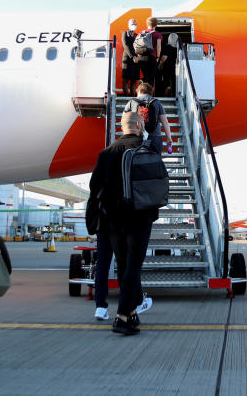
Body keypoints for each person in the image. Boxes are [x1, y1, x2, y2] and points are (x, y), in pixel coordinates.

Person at [87, 111, 158, 335]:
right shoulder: (147, 149)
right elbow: (157, 182)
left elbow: (94, 186)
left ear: (122, 126)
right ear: (139, 126)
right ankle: (123, 316)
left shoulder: (106, 153)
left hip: (114, 219)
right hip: (139, 217)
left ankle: (132, 313)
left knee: (123, 264)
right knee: (134, 266)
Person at [127, 82, 173, 155]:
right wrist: (169, 138)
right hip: (155, 137)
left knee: (137, 162)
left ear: (138, 91)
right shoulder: (157, 102)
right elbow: (165, 122)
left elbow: (125, 120)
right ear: (151, 92)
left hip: (137, 136)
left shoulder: (132, 102)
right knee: (155, 161)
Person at [135, 17, 163, 94]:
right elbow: (158, 46)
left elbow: (135, 44)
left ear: (147, 24)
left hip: (141, 57)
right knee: (151, 78)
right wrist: (157, 57)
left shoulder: (141, 33)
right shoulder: (157, 34)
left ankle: (142, 85)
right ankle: (149, 95)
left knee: (146, 75)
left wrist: (138, 54)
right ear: (156, 24)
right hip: (151, 58)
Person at [120, 18, 141, 96]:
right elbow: (126, 45)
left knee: (134, 79)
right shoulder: (125, 33)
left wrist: (138, 56)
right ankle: (125, 96)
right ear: (129, 25)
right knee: (125, 78)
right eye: (132, 24)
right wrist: (133, 56)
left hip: (136, 59)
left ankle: (133, 96)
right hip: (128, 58)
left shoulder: (137, 35)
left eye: (135, 24)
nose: (134, 25)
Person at [156, 33, 179, 97]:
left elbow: (164, 57)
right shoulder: (179, 49)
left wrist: (160, 64)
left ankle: (167, 93)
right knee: (174, 81)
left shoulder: (167, 47)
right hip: (176, 67)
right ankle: (174, 94)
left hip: (167, 67)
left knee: (166, 81)